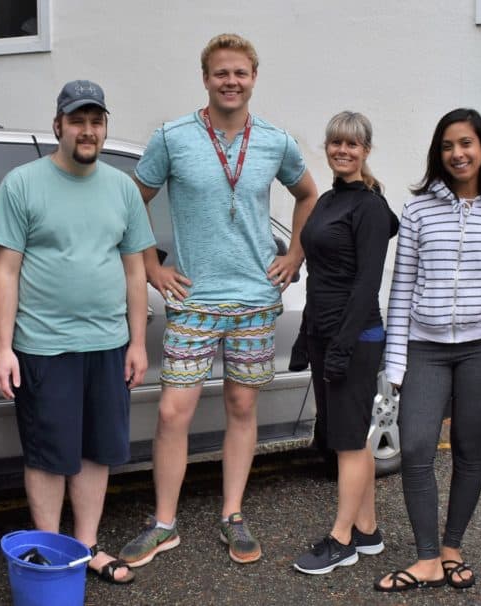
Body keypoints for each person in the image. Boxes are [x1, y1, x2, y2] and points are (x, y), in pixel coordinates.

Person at [119, 33, 318, 567]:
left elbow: (308, 195)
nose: (231, 82)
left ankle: (232, 513)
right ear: (205, 78)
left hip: (254, 299)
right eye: (221, 73)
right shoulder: (172, 137)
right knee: (172, 411)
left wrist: (294, 255)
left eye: (240, 73)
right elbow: (131, 201)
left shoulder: (276, 141)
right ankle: (164, 524)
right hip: (194, 300)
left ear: (254, 78)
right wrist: (152, 266)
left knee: (241, 406)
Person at [0, 80, 155, 585]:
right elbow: (6, 271)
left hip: (108, 345)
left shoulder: (122, 188)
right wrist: (3, 348)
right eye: (77, 120)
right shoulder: (22, 184)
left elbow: (134, 272)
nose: (87, 130)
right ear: (57, 125)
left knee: (96, 450)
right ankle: (48, 549)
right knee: (49, 455)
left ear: (104, 127)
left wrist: (137, 343)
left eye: (96, 121)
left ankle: (86, 546)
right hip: (43, 346)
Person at [375, 108, 481, 592]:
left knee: (467, 447)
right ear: (437, 154)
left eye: (466, 143)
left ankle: (451, 548)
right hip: (425, 345)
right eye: (447, 146)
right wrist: (395, 361)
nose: (457, 153)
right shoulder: (418, 210)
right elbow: (402, 287)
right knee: (417, 446)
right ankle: (426, 558)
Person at [290, 111, 398, 575]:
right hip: (324, 332)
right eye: (336, 142)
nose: (342, 150)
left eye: (352, 144)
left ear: (365, 150)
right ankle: (367, 529)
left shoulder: (369, 207)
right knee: (347, 436)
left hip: (355, 337)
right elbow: (318, 276)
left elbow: (366, 284)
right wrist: (306, 336)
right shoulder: (328, 200)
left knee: (348, 441)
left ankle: (341, 539)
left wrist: (341, 346)